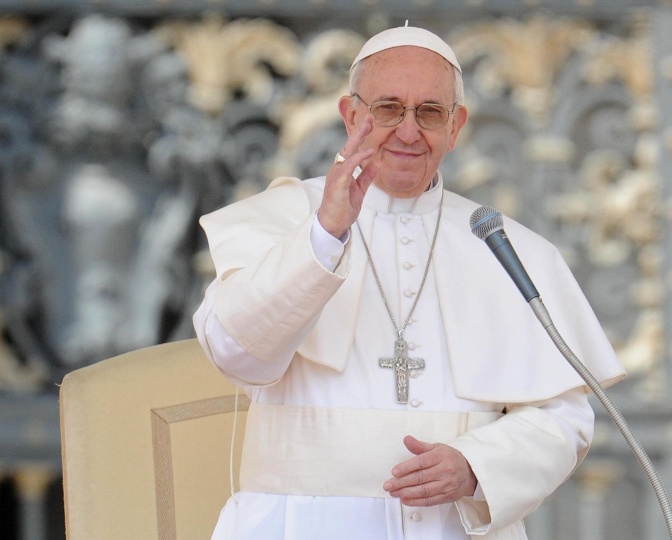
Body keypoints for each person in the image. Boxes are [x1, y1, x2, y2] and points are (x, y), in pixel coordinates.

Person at [192, 24, 626, 540]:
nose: (407, 131)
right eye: (388, 108)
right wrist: (324, 236)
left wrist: (476, 466)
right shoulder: (283, 221)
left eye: (429, 112)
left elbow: (563, 419)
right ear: (351, 115)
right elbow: (234, 352)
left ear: (456, 126)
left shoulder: (507, 248)